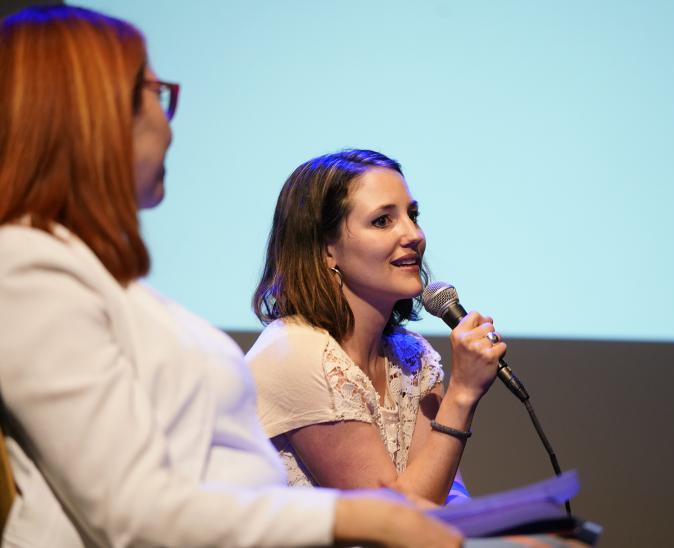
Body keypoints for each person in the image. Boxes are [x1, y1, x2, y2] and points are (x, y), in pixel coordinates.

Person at [0, 6, 460, 547]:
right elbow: (130, 511)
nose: (169, 124)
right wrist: (351, 518)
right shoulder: (26, 269)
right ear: (94, 114)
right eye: (155, 93)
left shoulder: (105, 283)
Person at [247, 149, 506, 506]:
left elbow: (443, 494)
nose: (413, 234)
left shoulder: (412, 358)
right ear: (326, 250)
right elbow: (394, 522)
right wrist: (462, 394)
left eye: (412, 215)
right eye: (383, 221)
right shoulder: (296, 355)